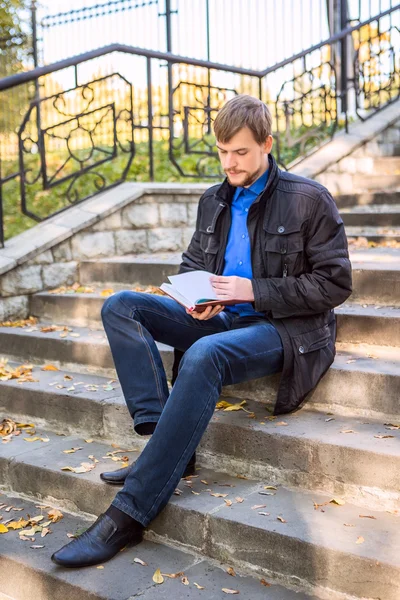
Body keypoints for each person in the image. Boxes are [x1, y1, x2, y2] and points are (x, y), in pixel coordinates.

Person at [51, 94, 352, 567]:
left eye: (241, 152)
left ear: (267, 144)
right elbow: (193, 263)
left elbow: (334, 284)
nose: (229, 163)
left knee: (204, 355)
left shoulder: (307, 199)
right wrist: (196, 297)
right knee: (121, 306)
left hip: (284, 329)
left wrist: (250, 290)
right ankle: (165, 443)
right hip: (221, 316)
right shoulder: (212, 199)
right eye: (222, 151)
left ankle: (128, 516)